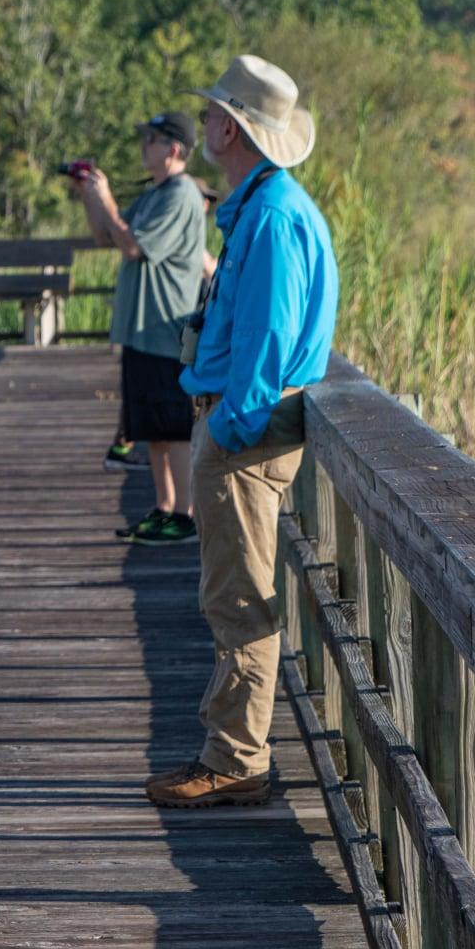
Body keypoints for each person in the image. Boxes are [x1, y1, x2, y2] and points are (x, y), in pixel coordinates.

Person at [146, 55, 338, 808]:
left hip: (244, 436)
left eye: (210, 118)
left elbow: (266, 335)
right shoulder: (268, 205)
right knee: (234, 595)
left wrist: (228, 428)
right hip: (244, 429)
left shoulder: (270, 214)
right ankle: (231, 747)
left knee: (237, 600)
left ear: (227, 127)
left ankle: (235, 759)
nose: (203, 128)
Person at [69, 111, 207, 546]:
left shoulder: (181, 193)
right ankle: (164, 507)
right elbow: (105, 236)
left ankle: (185, 515)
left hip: (166, 328)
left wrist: (106, 195)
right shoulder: (156, 193)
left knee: (174, 425)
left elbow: (133, 247)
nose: (143, 145)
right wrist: (90, 196)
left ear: (172, 148)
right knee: (151, 427)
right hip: (140, 330)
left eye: (150, 139)